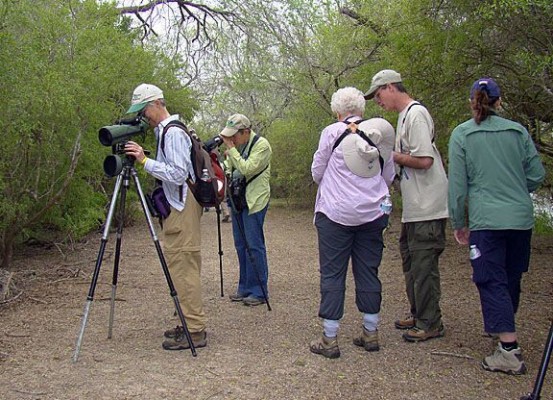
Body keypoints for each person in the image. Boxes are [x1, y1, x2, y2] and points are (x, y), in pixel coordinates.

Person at [448, 77, 545, 375]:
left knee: (490, 278)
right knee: (511, 275)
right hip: (519, 217)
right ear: (499, 102)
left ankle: (508, 349)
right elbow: (536, 175)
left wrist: (459, 221)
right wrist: (516, 187)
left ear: (472, 101)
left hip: (487, 219)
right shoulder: (518, 132)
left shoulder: (463, 134)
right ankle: (504, 328)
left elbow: (458, 186)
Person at [310, 87, 395, 358]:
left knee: (333, 273)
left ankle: (330, 338)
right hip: (373, 214)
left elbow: (317, 171)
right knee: (369, 271)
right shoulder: (379, 133)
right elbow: (388, 173)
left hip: (335, 214)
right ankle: (370, 332)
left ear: (337, 112)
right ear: (362, 110)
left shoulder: (331, 133)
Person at [366, 69, 449, 342]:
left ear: (391, 87)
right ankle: (419, 312)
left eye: (379, 95)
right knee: (411, 259)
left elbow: (425, 159)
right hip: (414, 205)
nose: (378, 101)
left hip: (428, 204)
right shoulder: (404, 117)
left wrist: (391, 157)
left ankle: (430, 322)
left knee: (424, 262)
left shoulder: (416, 114)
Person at [124, 83, 207, 350]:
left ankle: (195, 331)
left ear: (157, 104)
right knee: (179, 267)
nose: (143, 116)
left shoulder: (172, 133)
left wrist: (143, 161)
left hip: (182, 208)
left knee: (184, 267)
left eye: (144, 109)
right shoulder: (168, 131)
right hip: (178, 206)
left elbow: (177, 173)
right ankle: (186, 322)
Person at [219, 114, 272, 306]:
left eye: (234, 135)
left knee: (254, 245)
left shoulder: (262, 145)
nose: (231, 140)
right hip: (238, 199)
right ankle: (245, 287)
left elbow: (247, 169)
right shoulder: (238, 146)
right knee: (240, 244)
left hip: (255, 201)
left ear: (246, 132)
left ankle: (259, 291)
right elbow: (231, 170)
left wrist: (231, 151)